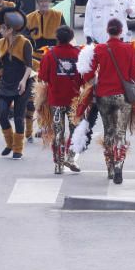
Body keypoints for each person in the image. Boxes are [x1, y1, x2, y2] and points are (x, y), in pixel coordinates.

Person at [78, 18, 135, 184]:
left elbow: (88, 72)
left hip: (103, 95)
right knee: (120, 132)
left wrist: (93, 82)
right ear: (121, 31)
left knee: (109, 131)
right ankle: (119, 165)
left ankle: (110, 169)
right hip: (122, 96)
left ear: (107, 30)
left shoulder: (100, 49)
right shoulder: (128, 49)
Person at [35, 26, 81, 174]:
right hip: (74, 100)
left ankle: (58, 165)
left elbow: (42, 77)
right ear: (71, 37)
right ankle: (71, 158)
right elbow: (84, 76)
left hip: (55, 100)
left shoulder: (50, 55)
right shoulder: (78, 54)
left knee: (58, 132)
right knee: (76, 131)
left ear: (57, 38)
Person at [24, 0, 66, 142]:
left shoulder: (58, 16)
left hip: (53, 61)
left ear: (50, 1)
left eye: (46, 0)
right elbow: (25, 41)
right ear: (37, 1)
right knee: (38, 96)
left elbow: (65, 39)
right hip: (35, 62)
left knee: (52, 96)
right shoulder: (29, 18)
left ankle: (50, 126)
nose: (43, 3)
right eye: (41, 0)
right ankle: (42, 125)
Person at [0, 7, 34, 160]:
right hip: (5, 84)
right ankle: (9, 143)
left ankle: (18, 149)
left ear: (10, 29)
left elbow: (29, 66)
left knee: (19, 116)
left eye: (3, 28)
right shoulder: (0, 43)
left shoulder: (25, 43)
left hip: (21, 83)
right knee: (2, 115)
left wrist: (24, 82)